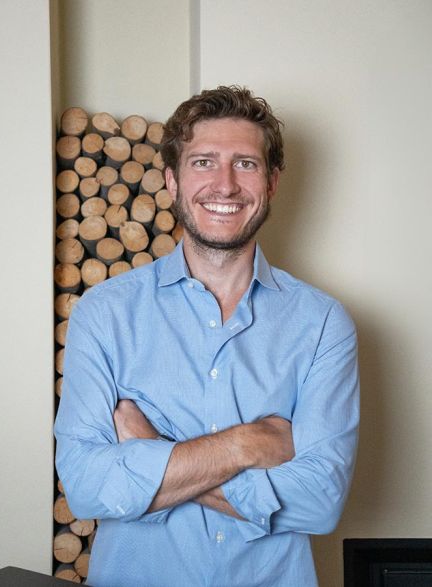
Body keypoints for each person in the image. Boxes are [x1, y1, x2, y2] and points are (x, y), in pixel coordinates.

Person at [55, 86, 359, 587]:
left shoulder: (323, 323)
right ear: (172, 180)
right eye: (203, 162)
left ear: (272, 181)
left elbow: (319, 502)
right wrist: (245, 444)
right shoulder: (104, 314)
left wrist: (151, 450)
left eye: (245, 164)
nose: (225, 185)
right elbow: (87, 488)